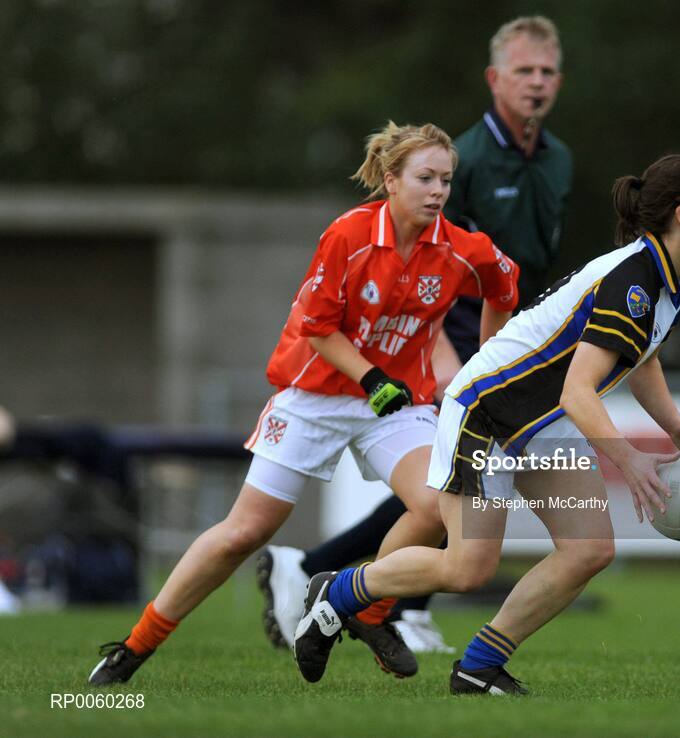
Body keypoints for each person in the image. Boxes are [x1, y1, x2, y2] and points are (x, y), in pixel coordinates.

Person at [87, 121, 519, 686]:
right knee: (243, 533)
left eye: (445, 179)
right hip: (315, 398)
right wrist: (369, 378)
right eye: (424, 178)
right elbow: (317, 328)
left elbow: (504, 289)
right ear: (391, 180)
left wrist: (482, 368)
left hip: (392, 405)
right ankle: (135, 646)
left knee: (437, 507)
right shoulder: (350, 234)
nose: (438, 190)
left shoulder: (461, 249)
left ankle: (368, 611)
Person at [289, 153, 680, 695]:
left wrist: (675, 424)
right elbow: (579, 391)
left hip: (541, 424)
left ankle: (478, 668)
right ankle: (336, 593)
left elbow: (640, 356)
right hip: (487, 412)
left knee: (589, 549)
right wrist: (629, 457)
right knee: (467, 568)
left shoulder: (673, 282)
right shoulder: (634, 279)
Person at [257, 15, 571, 654]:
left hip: (510, 332)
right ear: (495, 79)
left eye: (546, 72)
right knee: (451, 481)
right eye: (523, 71)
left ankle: (321, 570)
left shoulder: (559, 159)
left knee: (451, 484)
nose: (536, 83)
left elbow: (520, 271)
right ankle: (391, 602)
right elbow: (417, 274)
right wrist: (459, 363)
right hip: (451, 337)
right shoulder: (461, 160)